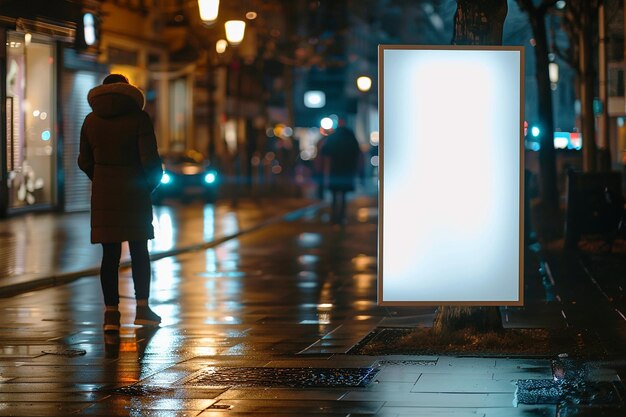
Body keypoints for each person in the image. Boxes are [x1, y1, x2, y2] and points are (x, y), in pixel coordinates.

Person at [78, 74, 163, 332]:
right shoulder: (139, 118)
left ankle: (111, 316)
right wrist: (148, 185)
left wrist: (101, 178)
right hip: (135, 193)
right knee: (139, 252)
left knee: (110, 256)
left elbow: (84, 160)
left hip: (104, 194)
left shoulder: (91, 121)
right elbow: (151, 162)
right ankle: (142, 308)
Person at [322, 123, 362, 225]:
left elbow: (325, 151)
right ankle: (342, 215)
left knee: (334, 194)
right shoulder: (351, 138)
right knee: (343, 195)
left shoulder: (333, 138)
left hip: (334, 169)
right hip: (347, 170)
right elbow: (357, 153)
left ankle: (334, 215)